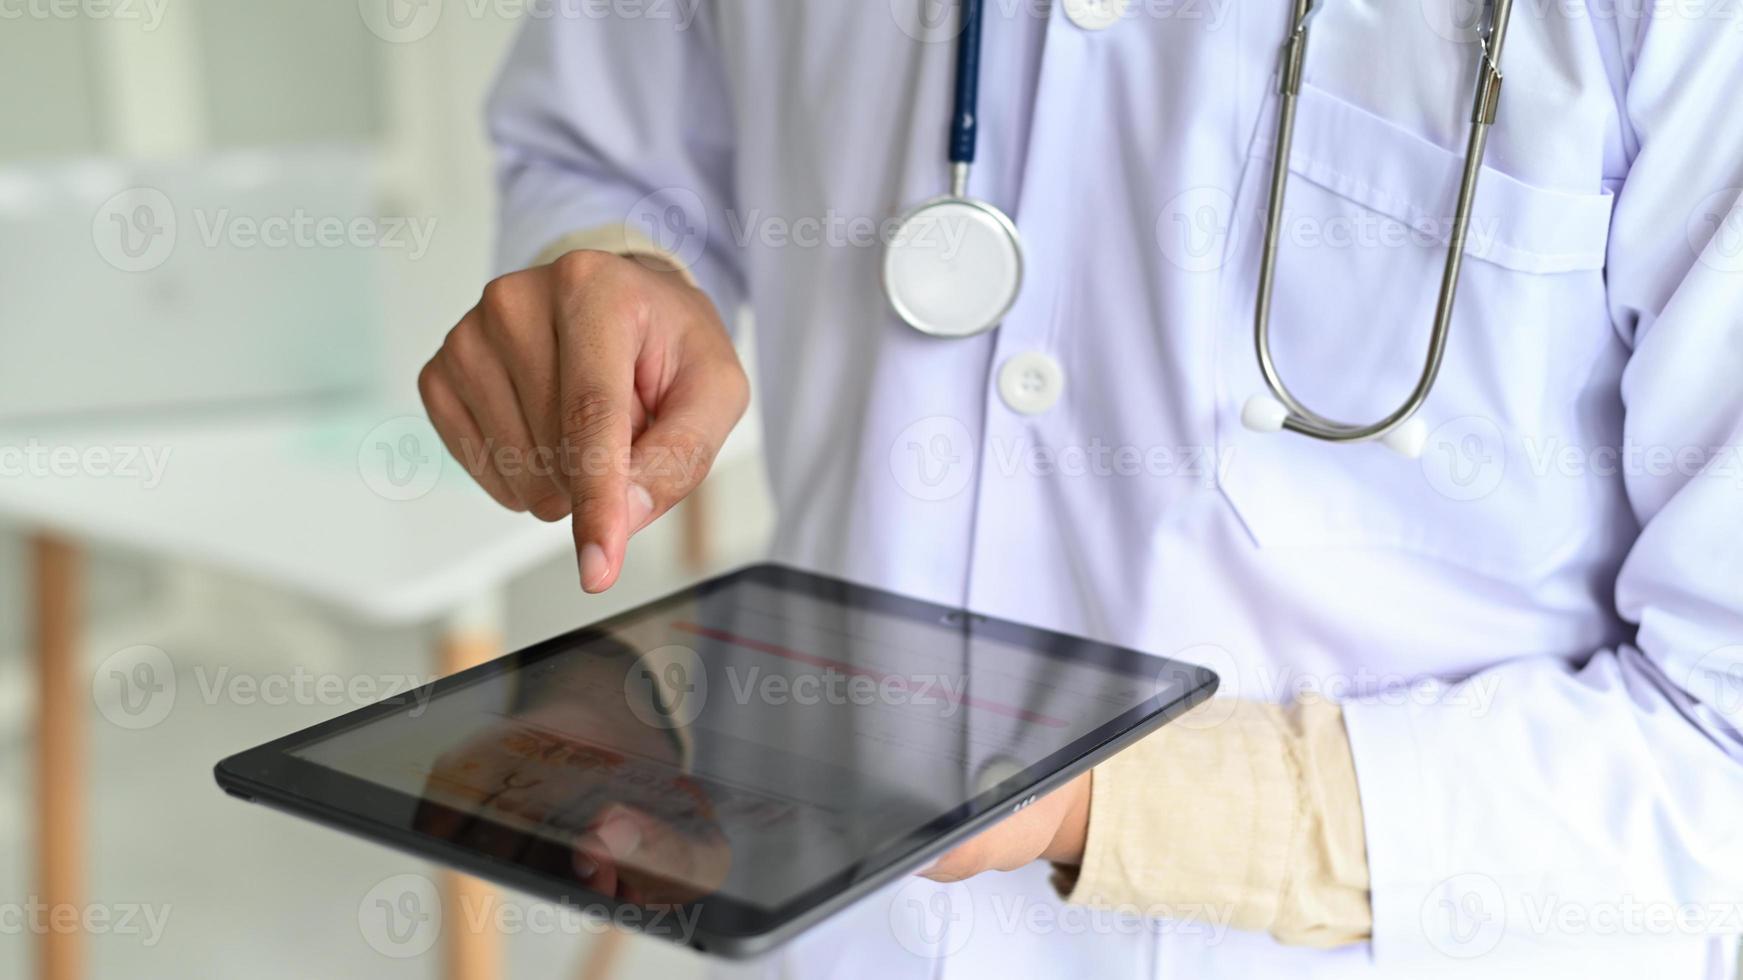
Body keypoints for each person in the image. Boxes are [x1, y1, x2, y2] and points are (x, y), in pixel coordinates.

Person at [417, 2, 1743, 977]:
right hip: (837, 944)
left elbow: (1721, 749)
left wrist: (1100, 801)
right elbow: (599, 145)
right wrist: (613, 267)